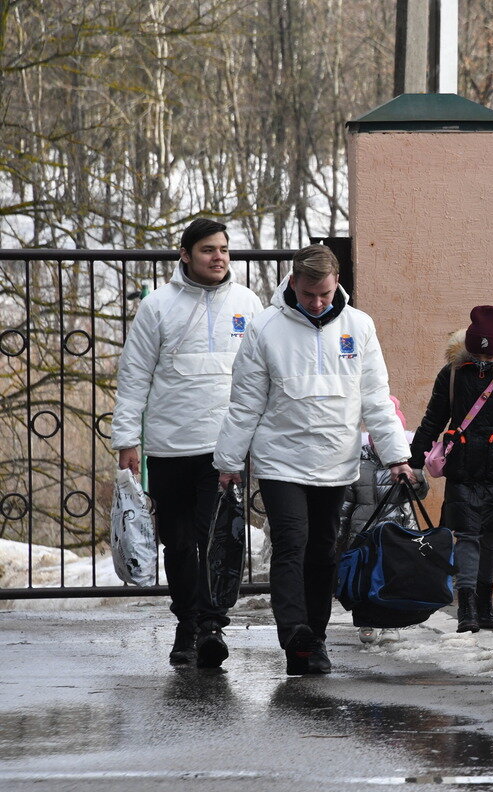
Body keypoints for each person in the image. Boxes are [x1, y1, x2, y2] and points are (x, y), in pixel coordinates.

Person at [213, 245, 414, 675]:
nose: (317, 302)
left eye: (324, 293)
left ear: (337, 282)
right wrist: (230, 460)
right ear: (292, 284)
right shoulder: (265, 327)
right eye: (308, 294)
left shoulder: (359, 327)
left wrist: (397, 456)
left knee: (323, 551)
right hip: (280, 460)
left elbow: (376, 398)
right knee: (292, 543)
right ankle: (294, 635)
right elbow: (245, 401)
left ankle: (315, 638)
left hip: (336, 458)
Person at [112, 218, 263, 669]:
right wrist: (126, 440)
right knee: (177, 543)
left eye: (223, 249)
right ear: (185, 255)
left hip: (224, 447)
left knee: (216, 536)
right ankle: (186, 622)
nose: (218, 257)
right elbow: (134, 376)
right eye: (207, 250)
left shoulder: (248, 303)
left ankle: (212, 625)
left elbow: (261, 375)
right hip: (169, 445)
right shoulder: (157, 307)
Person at [407, 305, 493, 633]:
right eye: (479, 355)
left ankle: (484, 602)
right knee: (467, 537)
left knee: (492, 539)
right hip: (463, 471)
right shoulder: (453, 374)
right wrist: (415, 463)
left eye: (490, 357)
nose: (484, 362)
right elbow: (433, 419)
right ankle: (467, 603)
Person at [337, 396, 430, 646]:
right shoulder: (359, 464)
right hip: (364, 534)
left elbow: (420, 493)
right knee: (365, 581)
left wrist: (416, 480)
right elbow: (346, 505)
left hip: (398, 533)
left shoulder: (406, 465)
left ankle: (391, 624)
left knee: (393, 581)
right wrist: (341, 540)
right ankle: (367, 620)